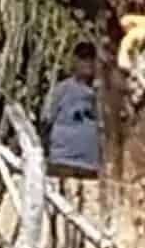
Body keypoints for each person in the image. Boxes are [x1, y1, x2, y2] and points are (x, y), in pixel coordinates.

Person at [40, 41, 100, 175]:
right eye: (83, 58)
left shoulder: (104, 95)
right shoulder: (62, 90)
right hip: (63, 162)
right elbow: (45, 124)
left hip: (93, 166)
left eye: (92, 58)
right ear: (75, 60)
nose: (88, 63)